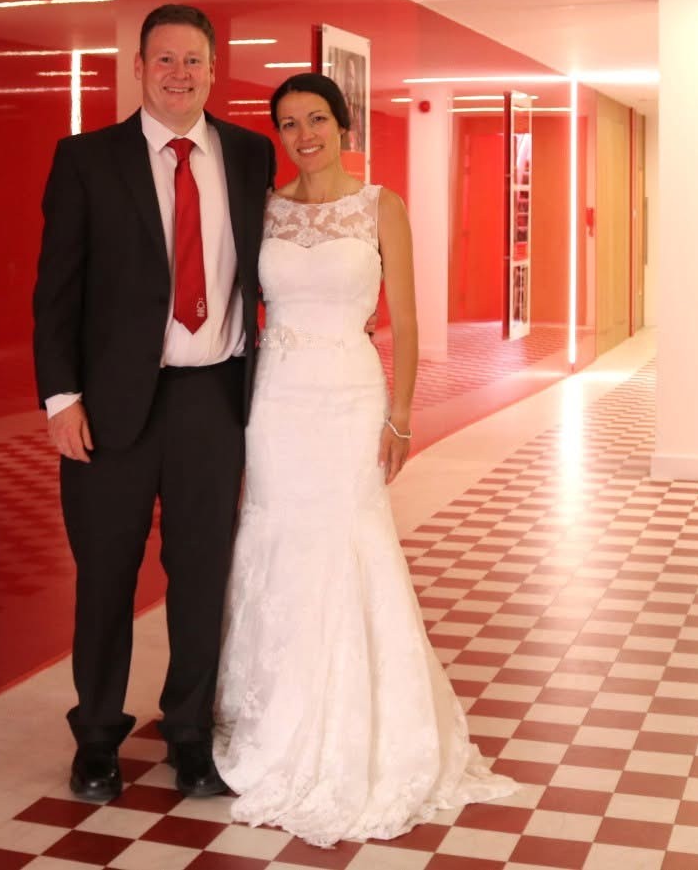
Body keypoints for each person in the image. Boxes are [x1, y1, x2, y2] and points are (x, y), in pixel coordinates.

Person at [213, 73, 515, 847]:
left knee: (348, 543)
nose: (303, 133)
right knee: (277, 545)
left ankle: (357, 729)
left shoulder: (383, 206)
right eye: (288, 123)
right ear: (278, 135)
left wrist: (402, 414)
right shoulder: (267, 209)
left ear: (343, 125)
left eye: (317, 118)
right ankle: (275, 720)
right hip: (277, 402)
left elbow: (407, 325)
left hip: (349, 398)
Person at [32, 3, 276, 804]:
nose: (179, 74)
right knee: (106, 574)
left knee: (202, 574)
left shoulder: (248, 155)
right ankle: (98, 738)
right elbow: (55, 293)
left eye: (194, 60)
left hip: (215, 398)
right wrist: (61, 397)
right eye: (164, 59)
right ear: (137, 67)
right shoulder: (86, 160)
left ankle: (190, 736)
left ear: (214, 70)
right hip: (110, 408)